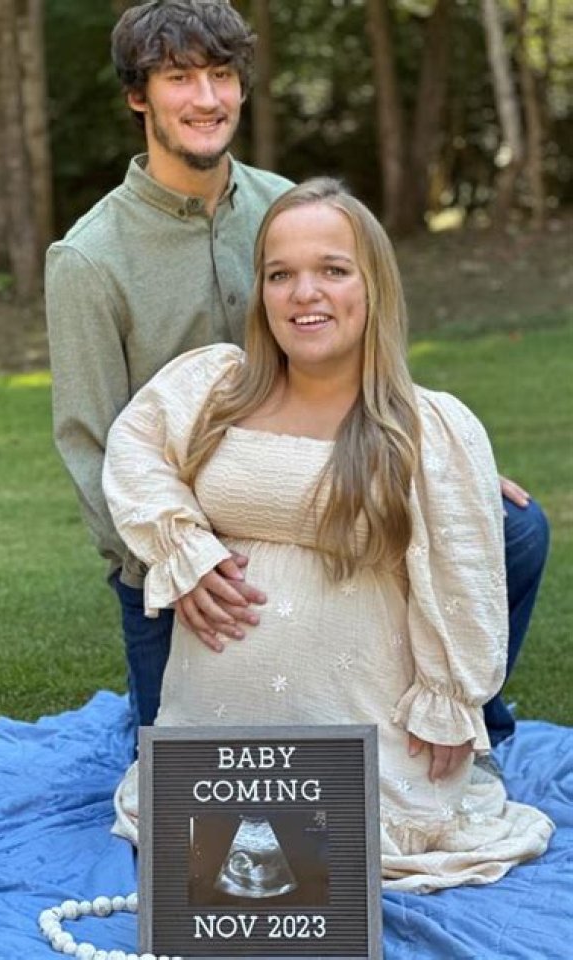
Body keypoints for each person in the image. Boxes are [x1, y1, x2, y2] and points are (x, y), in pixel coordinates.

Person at [45, 0, 548, 744]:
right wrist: (178, 562)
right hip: (193, 529)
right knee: (191, 784)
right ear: (137, 96)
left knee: (514, 529)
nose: (207, 98)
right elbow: (91, 446)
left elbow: (359, 329)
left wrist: (441, 458)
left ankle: (467, 722)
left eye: (222, 75)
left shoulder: (286, 205)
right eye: (180, 78)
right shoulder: (89, 259)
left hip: (328, 479)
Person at [102, 178, 554, 893]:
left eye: (333, 270)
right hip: (212, 754)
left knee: (336, 862)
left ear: (374, 287)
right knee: (228, 878)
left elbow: (461, 582)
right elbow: (135, 452)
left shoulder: (426, 428)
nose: (304, 293)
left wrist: (449, 698)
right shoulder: (214, 387)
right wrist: (184, 550)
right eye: (280, 274)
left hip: (366, 748)